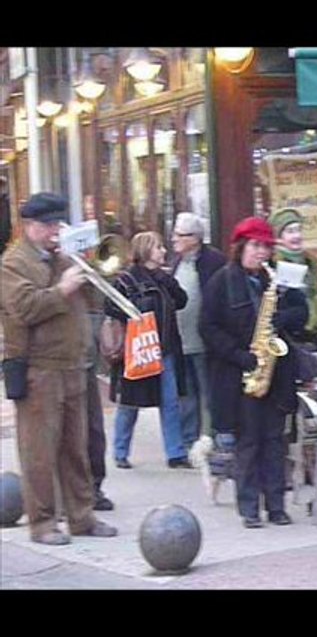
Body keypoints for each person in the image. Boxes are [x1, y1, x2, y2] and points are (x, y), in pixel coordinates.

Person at [0, 192, 117, 545]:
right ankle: (43, 523)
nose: (55, 231)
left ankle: (81, 517)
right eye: (48, 225)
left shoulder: (63, 258)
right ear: (29, 226)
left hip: (72, 365)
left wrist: (90, 272)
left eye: (57, 224)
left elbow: (94, 300)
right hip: (38, 368)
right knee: (39, 450)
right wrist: (63, 288)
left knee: (75, 447)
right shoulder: (12, 263)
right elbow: (24, 308)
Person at [200, 217, 309, 528]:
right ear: (241, 247)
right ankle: (249, 508)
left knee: (275, 440)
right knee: (248, 442)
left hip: (276, 373)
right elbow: (207, 328)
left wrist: (280, 320)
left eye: (265, 247)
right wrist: (239, 356)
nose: (261, 253)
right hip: (241, 375)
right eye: (255, 246)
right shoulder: (221, 282)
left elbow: (302, 313)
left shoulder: (278, 278)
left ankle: (276, 506)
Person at [105, 231, 190, 469]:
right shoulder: (127, 280)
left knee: (170, 401)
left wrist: (167, 280)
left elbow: (182, 300)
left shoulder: (163, 278)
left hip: (164, 348)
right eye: (158, 247)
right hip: (138, 349)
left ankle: (175, 453)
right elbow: (112, 308)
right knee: (130, 404)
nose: (163, 251)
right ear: (145, 251)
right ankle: (120, 452)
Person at [171, 212, 227, 450]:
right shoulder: (177, 262)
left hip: (204, 340)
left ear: (194, 238)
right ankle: (188, 439)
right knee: (186, 393)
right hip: (180, 339)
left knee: (208, 391)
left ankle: (208, 438)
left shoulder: (214, 262)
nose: (174, 239)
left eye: (179, 235)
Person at [269, 207, 317, 352]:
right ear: (279, 237)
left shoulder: (311, 261)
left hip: (316, 334)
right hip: (292, 337)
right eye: (290, 231)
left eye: (298, 230)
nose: (297, 235)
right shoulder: (274, 263)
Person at [85, 291, 114, 511]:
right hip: (59, 365)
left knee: (95, 430)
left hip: (85, 364)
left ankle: (94, 487)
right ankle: (62, 498)